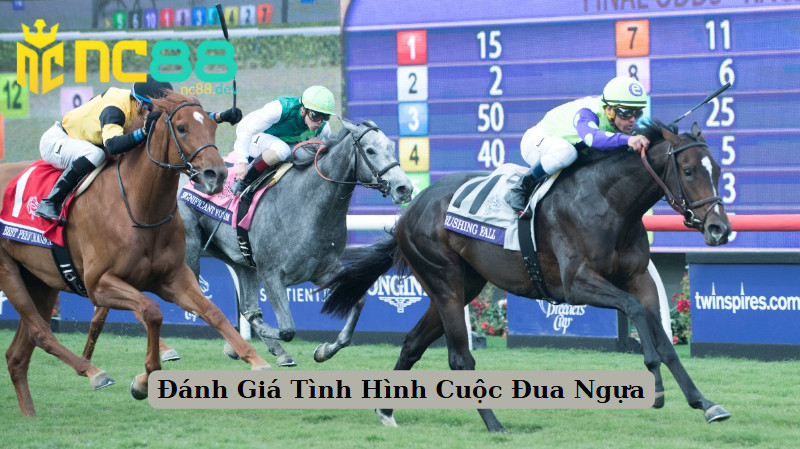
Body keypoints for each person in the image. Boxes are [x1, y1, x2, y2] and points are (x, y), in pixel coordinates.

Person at [35, 75, 242, 222]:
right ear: (137, 104)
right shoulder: (114, 109)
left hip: (88, 141)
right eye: (153, 110)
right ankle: (51, 201)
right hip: (60, 140)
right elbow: (112, 146)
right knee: (95, 154)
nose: (156, 115)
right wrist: (143, 132)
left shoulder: (141, 103)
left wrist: (219, 116)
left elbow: (182, 119)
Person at [505, 76, 651, 214]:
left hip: (564, 147)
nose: (632, 120)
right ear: (609, 110)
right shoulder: (587, 112)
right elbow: (592, 138)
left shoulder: (620, 122)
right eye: (626, 113)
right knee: (567, 152)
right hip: (537, 141)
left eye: (637, 113)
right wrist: (627, 140)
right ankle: (520, 189)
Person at [230, 85, 336, 194]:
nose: (319, 122)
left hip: (280, 144)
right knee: (283, 149)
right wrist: (242, 162)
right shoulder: (280, 108)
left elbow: (329, 155)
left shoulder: (324, 126)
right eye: (315, 115)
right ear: (303, 110)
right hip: (253, 139)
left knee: (308, 154)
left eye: (325, 116)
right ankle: (243, 182)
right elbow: (245, 128)